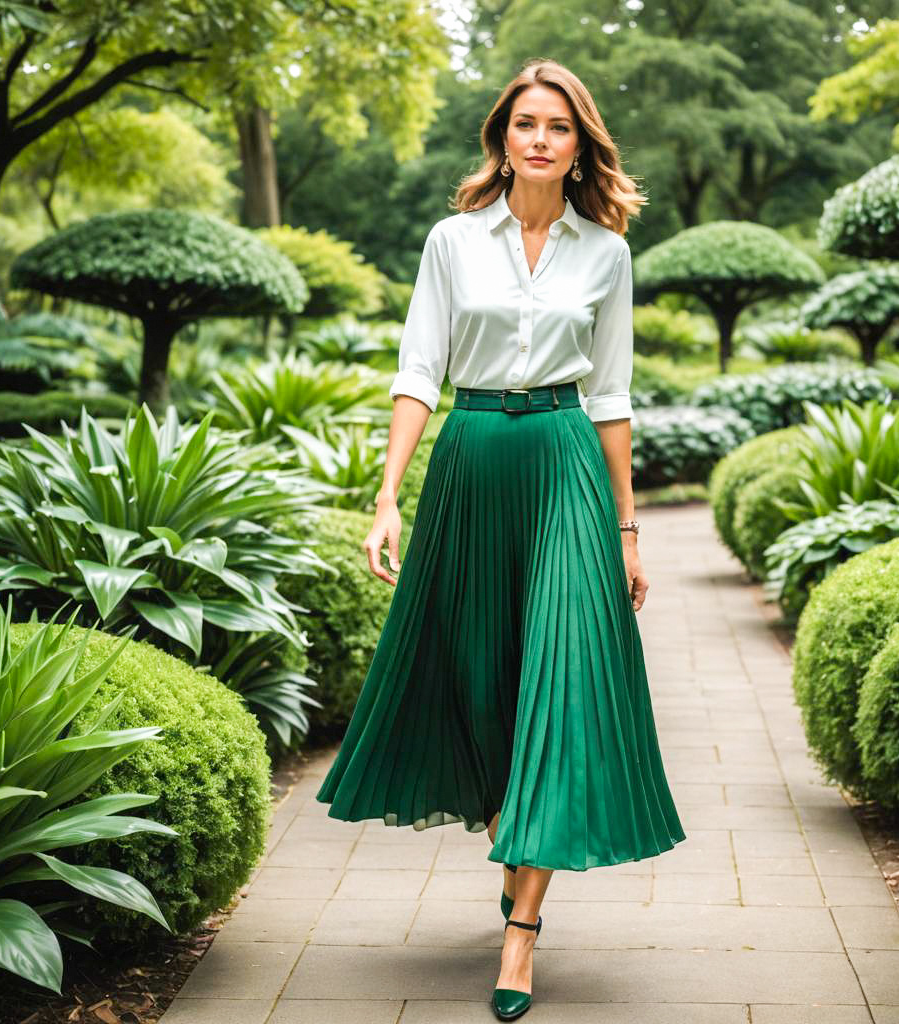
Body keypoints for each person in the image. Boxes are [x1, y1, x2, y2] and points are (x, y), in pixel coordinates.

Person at [315, 57, 687, 1021]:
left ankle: (520, 932)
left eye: (558, 127)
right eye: (525, 122)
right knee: (482, 682)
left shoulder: (606, 253)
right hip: (471, 461)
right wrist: (389, 495)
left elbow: (611, 397)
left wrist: (628, 530)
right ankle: (512, 833)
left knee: (563, 679)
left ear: (579, 146)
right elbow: (418, 369)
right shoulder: (451, 240)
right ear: (502, 136)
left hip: (563, 461)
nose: (539, 138)